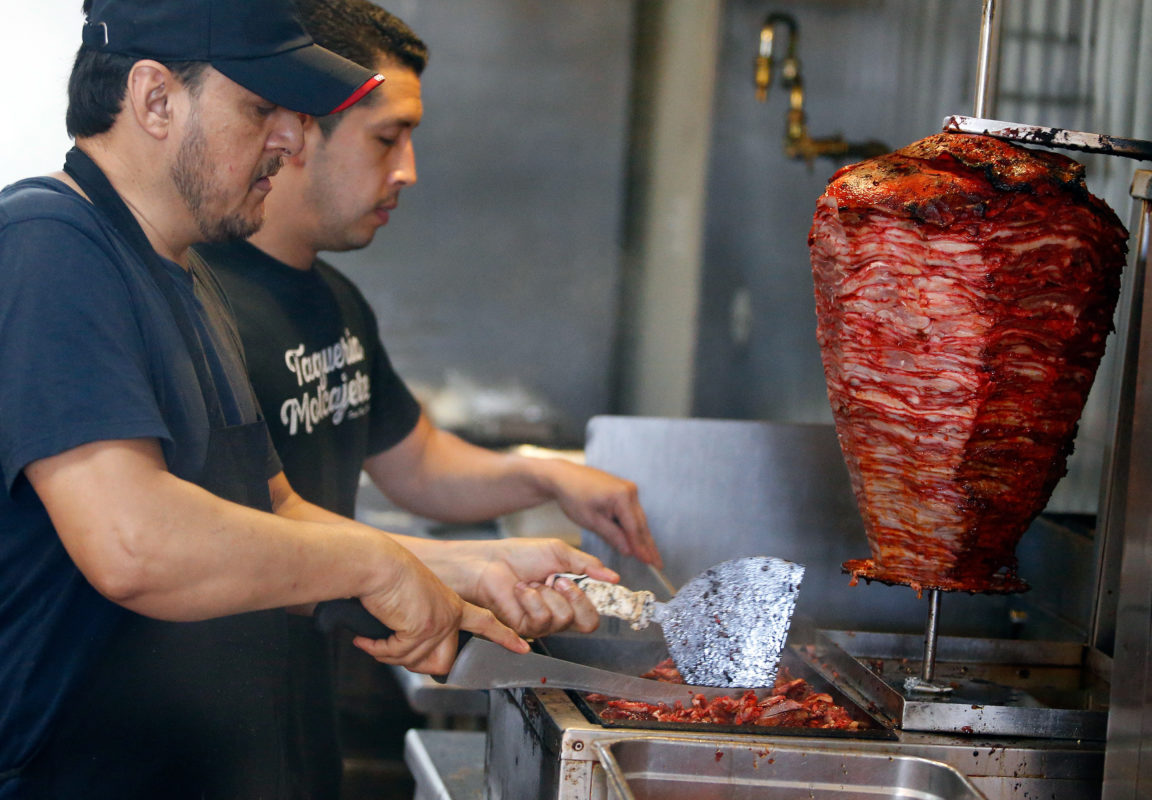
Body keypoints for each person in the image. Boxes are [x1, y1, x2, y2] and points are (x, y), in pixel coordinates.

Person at [0, 1, 620, 798]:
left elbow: (277, 508)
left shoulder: (185, 277)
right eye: (261, 109)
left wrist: (476, 567)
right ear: (155, 99)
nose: (288, 139)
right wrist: (373, 562)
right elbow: (134, 543)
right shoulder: (48, 244)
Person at [194, 1, 664, 795]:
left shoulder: (334, 299)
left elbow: (413, 460)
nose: (408, 170)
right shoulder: (202, 306)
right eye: (387, 138)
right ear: (297, 131)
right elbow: (228, 538)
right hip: (202, 741)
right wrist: (471, 568)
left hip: (297, 733)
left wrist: (543, 476)